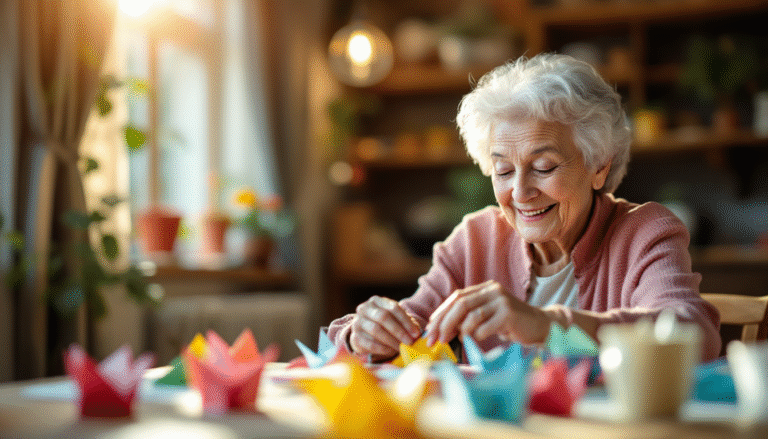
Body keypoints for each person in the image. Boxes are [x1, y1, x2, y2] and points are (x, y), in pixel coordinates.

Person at [327, 53, 721, 363]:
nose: (520, 192)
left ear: (599, 166)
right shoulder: (476, 240)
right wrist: (366, 334)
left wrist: (546, 325)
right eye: (503, 170)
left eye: (544, 167)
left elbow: (693, 335)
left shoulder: (645, 232)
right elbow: (407, 326)